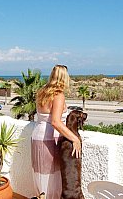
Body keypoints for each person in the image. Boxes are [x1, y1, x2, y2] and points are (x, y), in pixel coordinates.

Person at [31, 65, 81, 199]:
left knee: (41, 175)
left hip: (37, 135)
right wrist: (75, 139)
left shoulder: (42, 91)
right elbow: (55, 122)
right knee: (51, 179)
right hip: (49, 138)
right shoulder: (58, 95)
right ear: (65, 77)